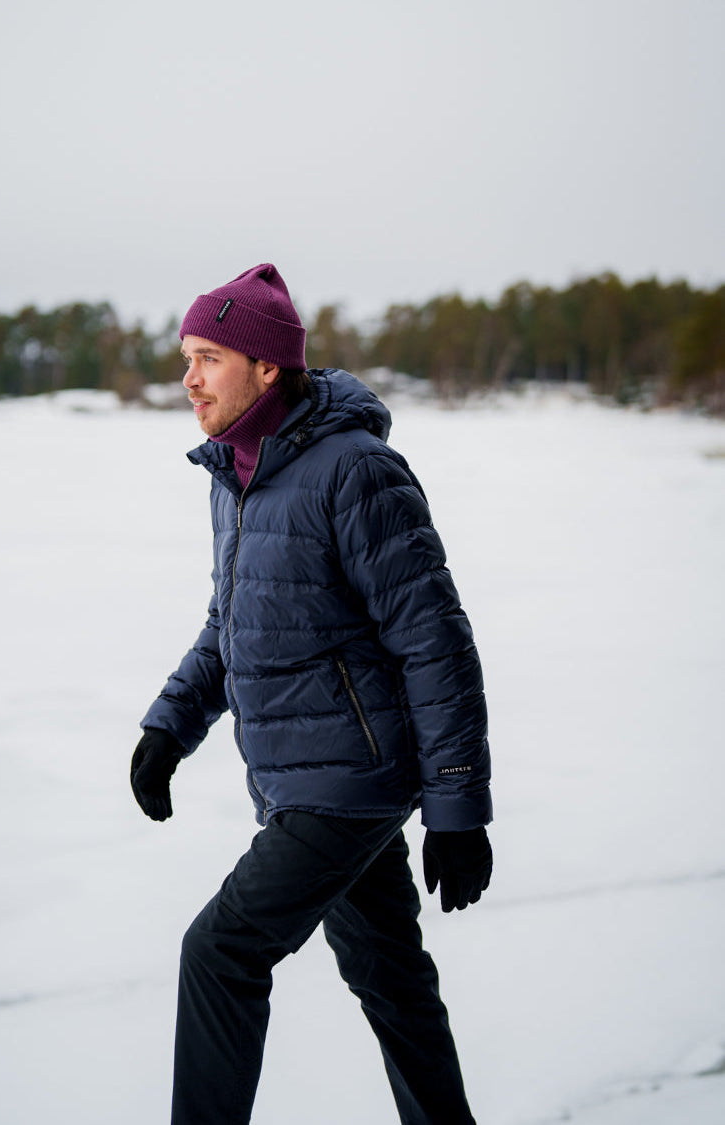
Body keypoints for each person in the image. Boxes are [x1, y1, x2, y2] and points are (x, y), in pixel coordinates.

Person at [131, 263, 493, 1125]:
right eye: (186, 356)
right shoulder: (238, 480)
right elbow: (231, 626)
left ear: (266, 368)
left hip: (348, 785)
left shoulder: (356, 470)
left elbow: (434, 639)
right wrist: (168, 727)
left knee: (219, 952)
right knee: (393, 982)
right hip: (304, 778)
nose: (189, 378)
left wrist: (457, 806)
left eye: (209, 356)